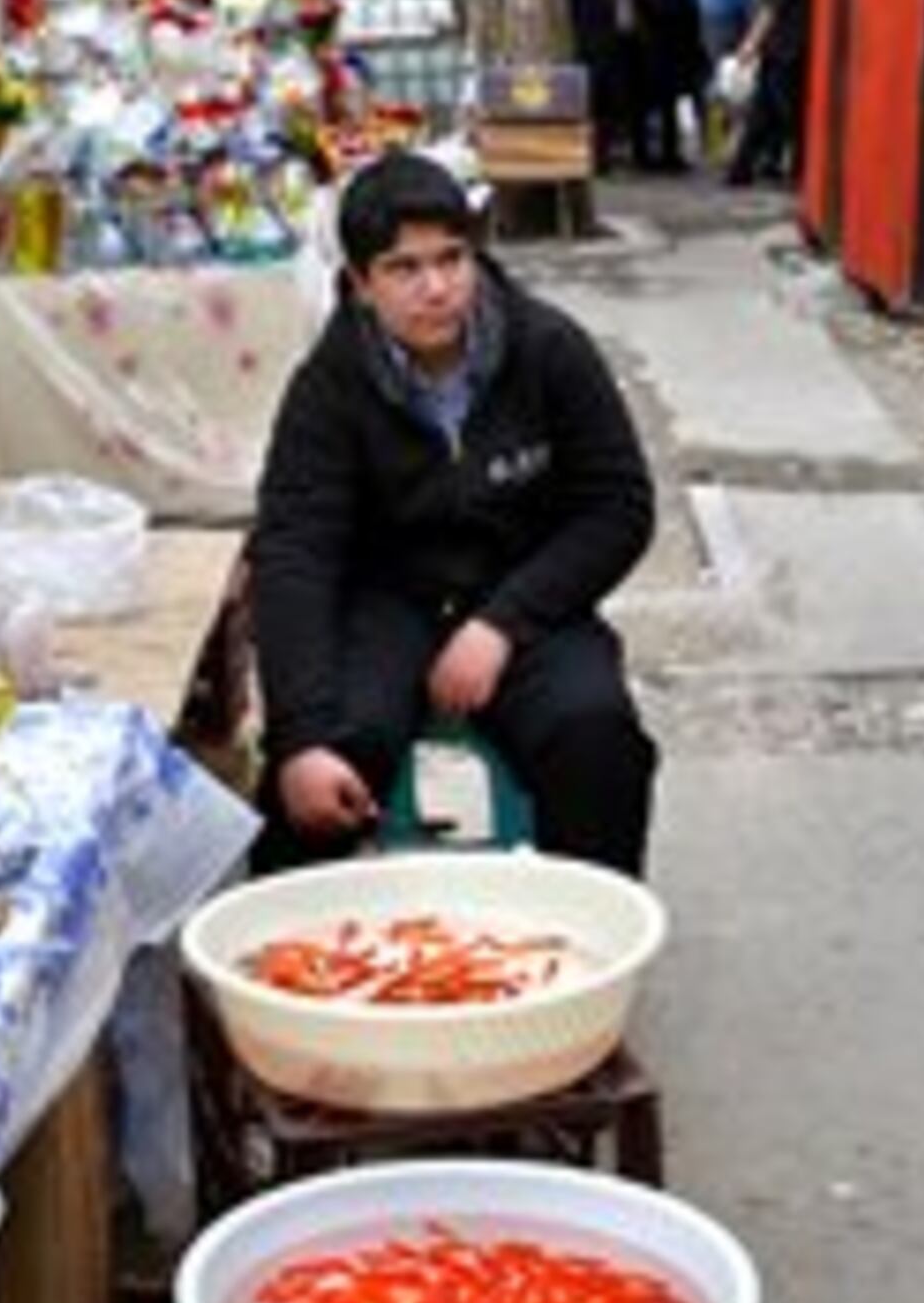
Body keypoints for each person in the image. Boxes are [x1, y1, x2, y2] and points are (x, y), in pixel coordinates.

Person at [248, 152, 660, 876]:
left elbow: (617, 507)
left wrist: (501, 624)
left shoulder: (548, 349)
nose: (436, 289)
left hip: (528, 603)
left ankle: (587, 949)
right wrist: (301, 735)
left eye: (451, 259)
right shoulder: (329, 386)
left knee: (596, 739)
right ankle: (299, 974)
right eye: (404, 268)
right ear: (360, 284)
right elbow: (294, 555)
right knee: (316, 776)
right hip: (385, 606)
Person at [723, 0, 810, 187]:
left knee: (787, 112)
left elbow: (773, 5)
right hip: (778, 45)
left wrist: (750, 43)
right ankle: (741, 169)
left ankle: (796, 172)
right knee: (765, 110)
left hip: (788, 44)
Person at [630, 0, 705, 173]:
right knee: (668, 102)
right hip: (669, 44)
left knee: (643, 102)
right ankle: (668, 155)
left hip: (643, 45)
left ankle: (642, 153)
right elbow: (674, 5)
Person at [569, 0, 636, 172]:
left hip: (587, 45)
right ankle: (598, 156)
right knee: (602, 105)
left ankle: (595, 155)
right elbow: (623, 17)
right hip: (604, 48)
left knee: (593, 105)